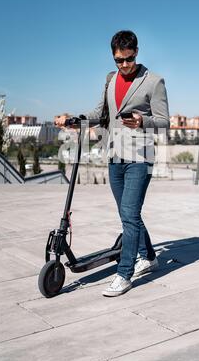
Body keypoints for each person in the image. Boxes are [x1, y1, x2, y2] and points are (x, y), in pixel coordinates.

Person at [55, 30, 170, 296]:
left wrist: (143, 121)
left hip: (140, 158)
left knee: (129, 217)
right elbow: (101, 113)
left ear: (137, 52)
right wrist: (76, 120)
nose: (124, 65)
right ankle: (150, 257)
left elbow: (165, 122)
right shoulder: (111, 79)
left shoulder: (154, 81)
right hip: (114, 155)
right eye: (119, 60)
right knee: (129, 215)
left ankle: (124, 274)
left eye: (128, 59)